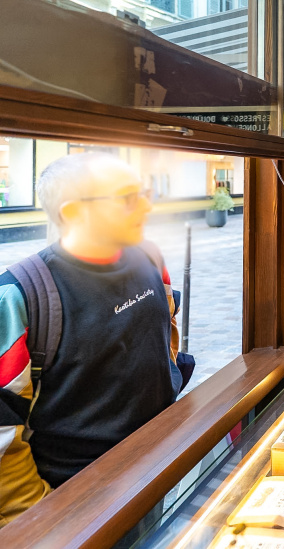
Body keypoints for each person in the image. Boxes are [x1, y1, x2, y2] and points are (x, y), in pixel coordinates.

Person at [0, 153, 180, 526]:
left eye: (143, 193)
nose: (145, 206)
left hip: (158, 464)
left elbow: (167, 331)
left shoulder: (150, 257)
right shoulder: (20, 295)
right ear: (72, 212)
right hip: (76, 501)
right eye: (127, 197)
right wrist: (41, 516)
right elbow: (3, 428)